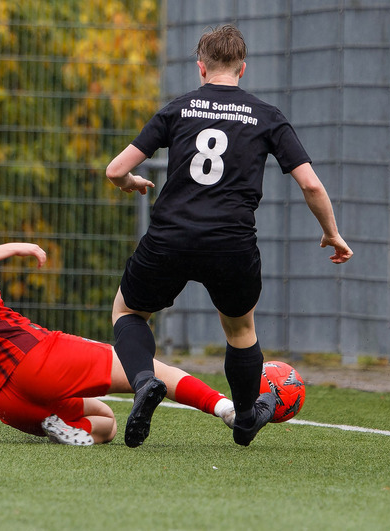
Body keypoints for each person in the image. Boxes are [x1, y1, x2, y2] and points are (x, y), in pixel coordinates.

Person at [106, 23, 353, 448]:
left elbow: (114, 169)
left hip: (171, 236)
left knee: (129, 314)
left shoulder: (178, 109)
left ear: (201, 68)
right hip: (231, 243)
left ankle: (145, 381)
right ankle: (243, 419)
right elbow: (311, 185)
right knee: (240, 332)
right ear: (243, 69)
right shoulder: (267, 116)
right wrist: (331, 233)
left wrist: (130, 182)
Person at [0, 193, 239, 445]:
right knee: (148, 367)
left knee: (106, 423)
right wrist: (17, 246)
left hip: (4, 402)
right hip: (35, 360)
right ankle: (229, 411)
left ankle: (64, 426)